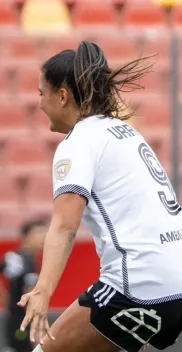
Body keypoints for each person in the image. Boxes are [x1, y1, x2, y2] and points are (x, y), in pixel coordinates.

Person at [17, 41, 182, 352]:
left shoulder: (79, 141)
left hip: (138, 285)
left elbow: (65, 225)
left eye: (42, 93)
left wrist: (42, 291)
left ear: (62, 96)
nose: (39, 104)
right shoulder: (126, 133)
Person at [0, 219, 47, 352]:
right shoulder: (28, 261)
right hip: (24, 320)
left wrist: (3, 298)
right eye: (38, 233)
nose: (42, 238)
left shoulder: (13, 256)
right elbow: (31, 294)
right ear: (26, 237)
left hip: (12, 318)